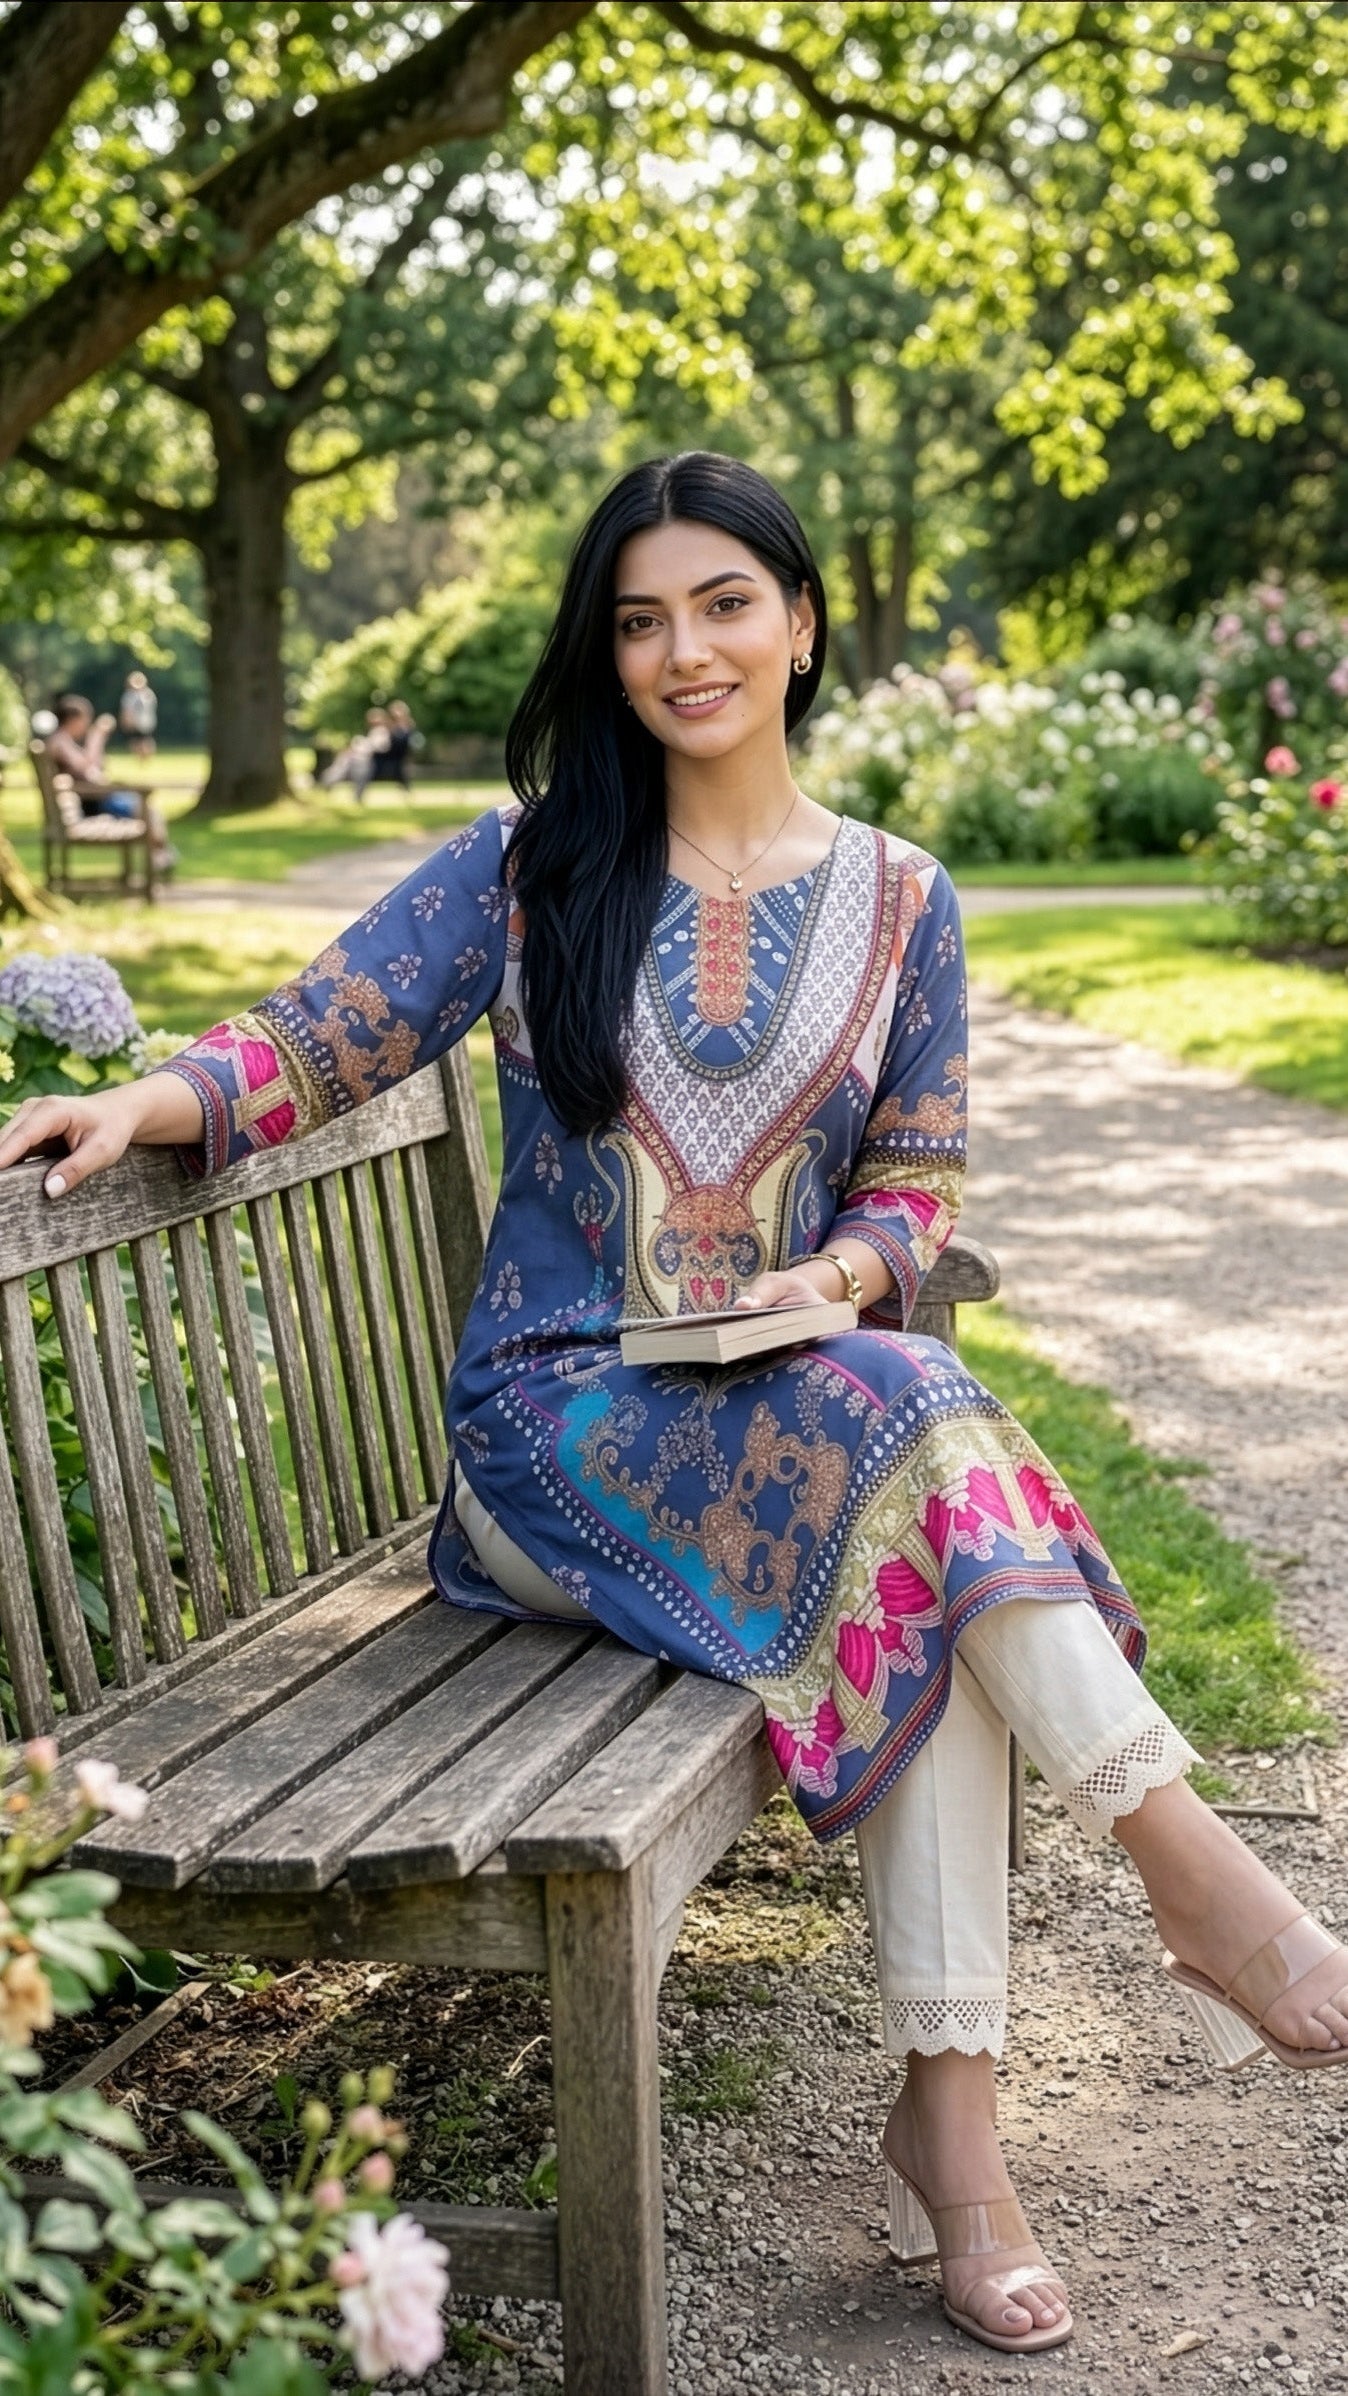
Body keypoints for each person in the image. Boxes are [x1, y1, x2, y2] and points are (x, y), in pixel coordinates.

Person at [2, 454, 1344, 2360]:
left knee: (909, 1514)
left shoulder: (904, 901)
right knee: (910, 1442)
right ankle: (1181, 1884)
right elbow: (326, 1030)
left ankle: (959, 2138)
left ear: (799, 623)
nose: (679, 650)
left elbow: (917, 1184)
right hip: (548, 1446)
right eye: (637, 619)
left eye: (720, 604)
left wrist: (844, 1278)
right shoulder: (530, 865)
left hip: (790, 1412)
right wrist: (146, 1100)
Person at [44, 693, 173, 871]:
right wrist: (96, 738)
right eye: (85, 720)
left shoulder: (62, 741)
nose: (86, 725)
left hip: (94, 799)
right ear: (72, 719)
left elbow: (89, 767)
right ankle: (162, 857)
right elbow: (84, 766)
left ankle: (161, 856)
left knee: (150, 812)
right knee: (148, 812)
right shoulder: (60, 741)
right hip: (92, 802)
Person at [318, 707, 390, 802]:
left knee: (347, 765)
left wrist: (357, 749)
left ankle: (328, 782)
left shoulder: (381, 732)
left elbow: (378, 747)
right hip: (358, 759)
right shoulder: (372, 732)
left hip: (366, 761)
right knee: (342, 763)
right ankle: (328, 781)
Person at [364, 698, 419, 792]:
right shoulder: (389, 726)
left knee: (400, 769)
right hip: (387, 754)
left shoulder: (408, 727)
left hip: (399, 755)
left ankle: (405, 788)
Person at [118, 670, 158, 757]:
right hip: (140, 722)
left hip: (143, 722)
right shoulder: (146, 694)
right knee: (137, 742)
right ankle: (142, 758)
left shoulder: (136, 695)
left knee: (143, 741)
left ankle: (144, 757)